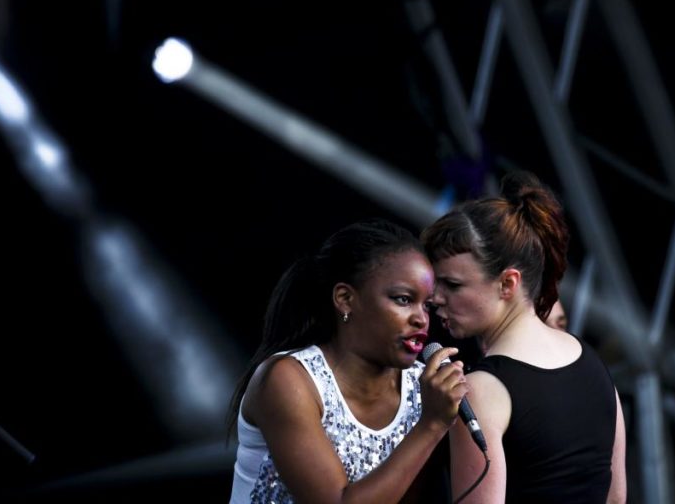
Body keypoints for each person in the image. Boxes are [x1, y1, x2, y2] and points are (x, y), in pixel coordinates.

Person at [227, 218, 470, 504]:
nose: (422, 318)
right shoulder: (289, 380)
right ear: (345, 299)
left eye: (426, 305)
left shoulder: (425, 388)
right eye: (403, 299)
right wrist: (431, 425)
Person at [421, 170, 627, 503]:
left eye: (453, 285)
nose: (435, 297)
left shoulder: (481, 392)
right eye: (436, 283)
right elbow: (616, 498)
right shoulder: (592, 363)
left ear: (508, 283)